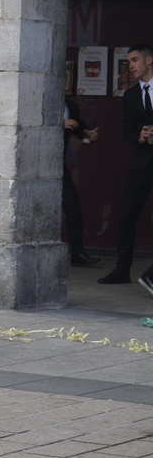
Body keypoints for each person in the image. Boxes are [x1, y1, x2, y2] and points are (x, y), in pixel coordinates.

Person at [101, 44, 153, 288]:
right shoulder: (131, 95)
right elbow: (126, 129)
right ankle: (122, 269)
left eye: (134, 60)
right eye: (129, 61)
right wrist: (139, 137)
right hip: (142, 163)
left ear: (149, 60)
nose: (130, 65)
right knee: (127, 216)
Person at [63, 97, 100, 267]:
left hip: (58, 167)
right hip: (33, 167)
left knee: (73, 208)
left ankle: (77, 253)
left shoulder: (70, 105)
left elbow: (80, 131)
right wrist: (59, 124)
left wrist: (90, 135)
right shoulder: (36, 101)